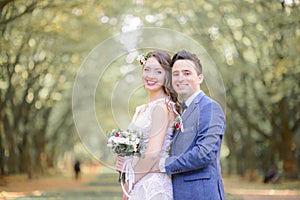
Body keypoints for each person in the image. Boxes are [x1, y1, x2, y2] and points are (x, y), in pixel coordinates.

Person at [157, 50, 226, 200]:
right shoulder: (178, 111)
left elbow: (204, 153)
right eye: (176, 74)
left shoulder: (210, 108)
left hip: (200, 194)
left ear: (199, 77)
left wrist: (165, 164)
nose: (180, 78)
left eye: (187, 73)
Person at [115, 50, 181, 200]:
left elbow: (152, 155)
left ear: (167, 76)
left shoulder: (161, 107)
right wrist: (125, 162)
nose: (150, 76)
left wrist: (129, 184)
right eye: (147, 70)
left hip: (153, 186)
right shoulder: (142, 109)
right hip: (140, 180)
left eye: (158, 72)